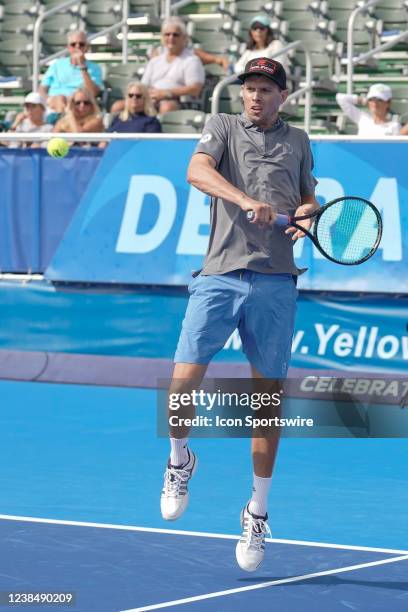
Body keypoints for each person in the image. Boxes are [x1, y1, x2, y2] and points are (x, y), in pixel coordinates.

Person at [160, 58, 319, 572]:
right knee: (182, 383)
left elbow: (308, 196)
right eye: (249, 88)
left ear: (282, 96)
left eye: (265, 90)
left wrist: (307, 211)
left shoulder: (299, 141)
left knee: (266, 405)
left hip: (276, 284)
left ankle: (257, 511)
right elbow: (196, 171)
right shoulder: (223, 127)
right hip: (220, 275)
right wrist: (246, 200)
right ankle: (180, 461)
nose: (254, 96)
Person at [141, 16, 205, 114]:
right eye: (167, 34)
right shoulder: (155, 61)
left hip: (178, 102)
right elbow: (144, 85)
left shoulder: (192, 60)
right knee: (119, 106)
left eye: (175, 35)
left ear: (184, 38)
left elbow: (195, 89)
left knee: (166, 107)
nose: (171, 38)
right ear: (162, 38)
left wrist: (167, 93)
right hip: (152, 99)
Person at [39, 30, 103, 114]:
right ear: (68, 48)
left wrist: (82, 67)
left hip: (77, 105)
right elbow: (42, 88)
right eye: (73, 44)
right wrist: (48, 99)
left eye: (81, 44)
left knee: (62, 100)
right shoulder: (57, 65)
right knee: (59, 99)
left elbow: (93, 92)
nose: (77, 47)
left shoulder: (94, 68)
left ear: (87, 47)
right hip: (52, 103)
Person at [336, 83, 401, 136]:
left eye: (379, 100)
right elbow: (340, 98)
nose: (375, 103)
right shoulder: (362, 117)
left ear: (388, 103)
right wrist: (363, 100)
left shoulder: (395, 126)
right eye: (371, 99)